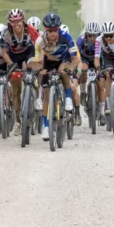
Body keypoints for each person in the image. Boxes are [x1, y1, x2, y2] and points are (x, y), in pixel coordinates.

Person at [35, 12, 80, 140]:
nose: (53, 34)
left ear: (58, 29)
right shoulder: (40, 41)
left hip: (64, 60)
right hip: (48, 62)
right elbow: (39, 61)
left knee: (63, 71)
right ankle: (45, 127)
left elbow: (75, 59)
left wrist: (70, 70)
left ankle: (68, 99)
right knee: (46, 95)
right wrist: (41, 70)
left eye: (55, 30)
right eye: (50, 31)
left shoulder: (66, 37)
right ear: (46, 30)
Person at [0, 8, 41, 136]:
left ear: (23, 20)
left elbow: (40, 48)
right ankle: (17, 120)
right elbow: (4, 53)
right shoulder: (6, 33)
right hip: (14, 57)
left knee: (36, 70)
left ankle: (38, 96)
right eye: (13, 22)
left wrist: (38, 65)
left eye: (18, 21)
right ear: (9, 22)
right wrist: (11, 65)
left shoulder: (31, 31)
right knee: (15, 87)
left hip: (29, 53)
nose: (16, 24)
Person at [75, 21, 106, 126]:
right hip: (85, 59)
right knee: (84, 69)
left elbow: (105, 55)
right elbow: (77, 56)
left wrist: (102, 69)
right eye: (89, 36)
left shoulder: (102, 40)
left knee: (100, 85)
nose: (92, 38)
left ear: (98, 34)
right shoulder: (80, 40)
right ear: (86, 34)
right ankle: (83, 92)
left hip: (98, 60)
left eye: (94, 36)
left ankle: (102, 113)